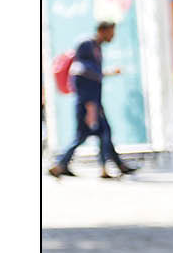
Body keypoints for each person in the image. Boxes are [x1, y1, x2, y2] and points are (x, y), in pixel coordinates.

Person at [49, 20, 139, 179]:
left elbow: (93, 73)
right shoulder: (87, 47)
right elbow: (84, 76)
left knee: (95, 134)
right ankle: (65, 165)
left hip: (92, 102)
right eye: (111, 32)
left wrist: (108, 74)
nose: (113, 36)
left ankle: (63, 165)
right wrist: (91, 107)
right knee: (98, 132)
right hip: (89, 103)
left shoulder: (95, 48)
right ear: (103, 30)